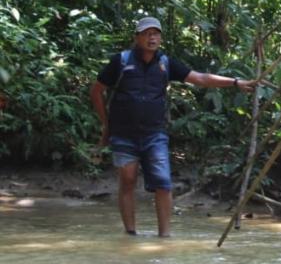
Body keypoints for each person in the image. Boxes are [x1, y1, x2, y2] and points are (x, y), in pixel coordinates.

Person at [90, 17, 256, 237]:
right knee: (128, 180)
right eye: (147, 33)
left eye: (156, 33)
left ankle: (164, 237)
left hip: (154, 134)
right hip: (123, 133)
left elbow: (201, 78)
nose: (152, 37)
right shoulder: (121, 61)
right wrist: (106, 124)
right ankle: (130, 234)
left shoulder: (166, 63)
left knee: (163, 183)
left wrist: (235, 82)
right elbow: (96, 91)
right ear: (137, 37)